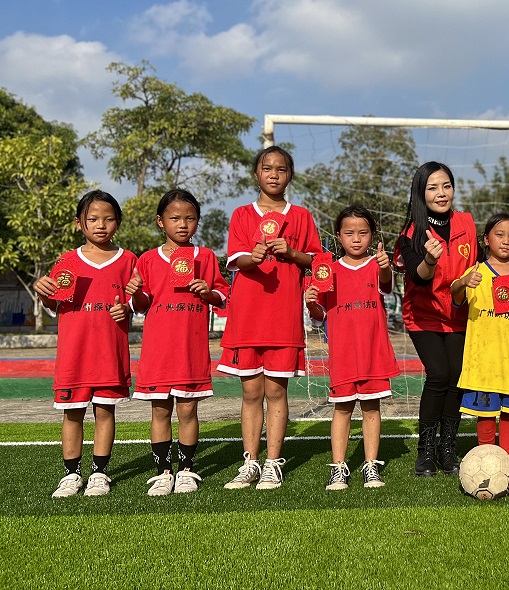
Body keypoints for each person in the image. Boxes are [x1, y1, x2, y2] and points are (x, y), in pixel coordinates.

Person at [218, 146, 322, 490]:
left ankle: (272, 463)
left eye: (281, 169)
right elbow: (236, 261)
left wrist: (291, 252)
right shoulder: (241, 215)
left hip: (283, 317)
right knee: (251, 392)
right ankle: (249, 461)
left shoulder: (301, 216)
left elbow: (317, 261)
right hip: (247, 316)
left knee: (276, 391)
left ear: (289, 175)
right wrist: (255, 256)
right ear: (256, 174)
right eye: (267, 168)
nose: (274, 174)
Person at [34, 191, 136, 498]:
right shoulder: (66, 261)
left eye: (108, 219)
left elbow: (136, 303)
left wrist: (127, 309)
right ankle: (71, 474)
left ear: (118, 222)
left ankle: (99, 473)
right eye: (92, 219)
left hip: (109, 352)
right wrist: (43, 291)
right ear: (79, 223)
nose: (100, 225)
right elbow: (54, 303)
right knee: (72, 413)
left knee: (105, 411)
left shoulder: (128, 260)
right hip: (74, 353)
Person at [126, 189, 228, 496]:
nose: (182, 224)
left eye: (190, 218)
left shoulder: (205, 257)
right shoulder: (147, 259)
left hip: (190, 348)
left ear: (197, 221)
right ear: (160, 221)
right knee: (160, 411)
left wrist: (207, 291)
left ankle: (186, 470)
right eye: (174, 218)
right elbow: (141, 306)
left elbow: (222, 295)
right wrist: (135, 291)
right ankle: (163, 473)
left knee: (187, 410)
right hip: (158, 349)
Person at [305, 205, 399, 490]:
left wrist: (385, 267)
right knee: (342, 409)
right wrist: (311, 302)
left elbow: (386, 286)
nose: (356, 239)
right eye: (349, 233)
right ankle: (339, 467)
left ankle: (371, 465)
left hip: (373, 354)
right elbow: (321, 316)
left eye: (363, 233)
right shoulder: (328, 271)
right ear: (338, 236)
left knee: (371, 408)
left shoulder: (378, 266)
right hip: (343, 355)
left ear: (372, 235)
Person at [393, 162, 477, 476]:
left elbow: (481, 260)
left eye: (446, 186)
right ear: (421, 193)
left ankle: (447, 449)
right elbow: (419, 276)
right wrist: (429, 258)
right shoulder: (410, 234)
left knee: (456, 376)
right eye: (432, 188)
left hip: (458, 313)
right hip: (424, 315)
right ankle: (425, 452)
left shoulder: (467, 222)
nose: (441, 193)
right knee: (439, 373)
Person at [452, 214, 509, 457]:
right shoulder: (476, 271)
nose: (505, 241)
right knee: (486, 412)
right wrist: (463, 282)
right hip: (482, 360)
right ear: (486, 239)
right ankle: (488, 458)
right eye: (499, 235)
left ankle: (507, 457)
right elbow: (456, 296)